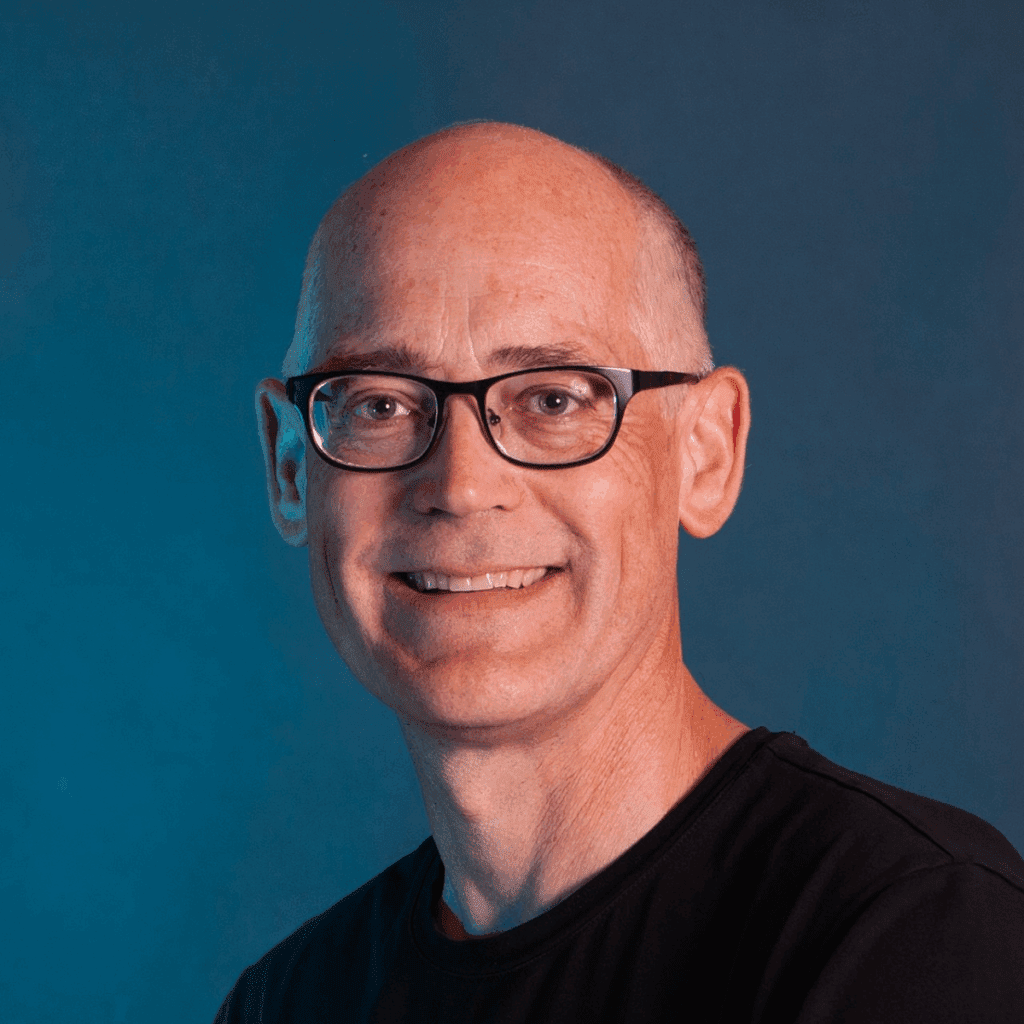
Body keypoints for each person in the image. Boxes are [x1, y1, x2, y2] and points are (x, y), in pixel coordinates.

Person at [216, 122, 1023, 1022]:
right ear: (291, 470)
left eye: (554, 398)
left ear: (706, 454)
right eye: (378, 404)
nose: (461, 486)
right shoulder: (286, 1003)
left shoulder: (911, 936)